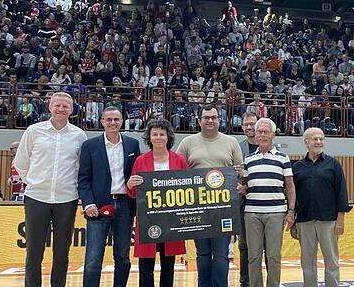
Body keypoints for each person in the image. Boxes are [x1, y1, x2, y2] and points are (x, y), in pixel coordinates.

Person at [13, 92, 88, 287]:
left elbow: (82, 167)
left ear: (72, 110)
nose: (61, 109)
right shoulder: (33, 131)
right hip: (36, 198)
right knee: (34, 252)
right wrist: (33, 182)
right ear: (50, 107)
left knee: (62, 253)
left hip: (67, 199)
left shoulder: (79, 135)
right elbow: (21, 162)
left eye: (65, 106)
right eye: (57, 105)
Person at [176, 104, 244, 287]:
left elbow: (241, 172)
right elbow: (176, 171)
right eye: (206, 117)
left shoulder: (231, 142)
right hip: (197, 208)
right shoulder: (187, 143)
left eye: (213, 117)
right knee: (203, 254)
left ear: (219, 120)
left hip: (224, 209)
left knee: (222, 255)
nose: (210, 120)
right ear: (199, 121)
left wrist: (239, 176)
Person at [78, 107, 141, 287]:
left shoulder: (132, 144)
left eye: (116, 119)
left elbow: (135, 175)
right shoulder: (90, 146)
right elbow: (83, 179)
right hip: (98, 206)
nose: (113, 123)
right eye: (109, 119)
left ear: (122, 121)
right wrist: (88, 203)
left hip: (125, 205)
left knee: (122, 256)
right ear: (102, 122)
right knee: (93, 257)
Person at [127, 118, 189, 287]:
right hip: (148, 219)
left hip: (172, 219)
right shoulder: (140, 161)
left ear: (168, 137)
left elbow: (189, 189)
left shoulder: (180, 160)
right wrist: (130, 184)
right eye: (155, 134)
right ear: (149, 137)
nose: (159, 137)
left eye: (162, 134)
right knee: (146, 264)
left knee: (168, 264)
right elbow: (133, 192)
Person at [290, 128, 350, 287]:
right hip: (304, 221)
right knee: (307, 262)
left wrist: (340, 219)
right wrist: (294, 222)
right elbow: (293, 196)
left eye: (321, 139)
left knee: (331, 261)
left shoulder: (333, 164)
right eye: (315, 139)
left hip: (328, 221)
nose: (319, 142)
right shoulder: (297, 167)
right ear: (306, 142)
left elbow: (342, 192)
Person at [239, 117, 295, 287]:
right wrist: (242, 188)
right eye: (259, 132)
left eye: (266, 132)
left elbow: (291, 188)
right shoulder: (248, 160)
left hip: (276, 213)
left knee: (273, 256)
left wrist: (290, 212)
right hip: (251, 213)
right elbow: (245, 186)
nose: (262, 135)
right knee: (253, 256)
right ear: (255, 134)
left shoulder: (283, 158)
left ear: (273, 134)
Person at [237, 112, 260, 287]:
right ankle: (245, 282)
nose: (249, 127)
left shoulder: (268, 147)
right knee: (244, 246)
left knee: (265, 248)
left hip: (263, 202)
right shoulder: (237, 148)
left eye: (252, 124)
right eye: (246, 124)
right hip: (242, 203)